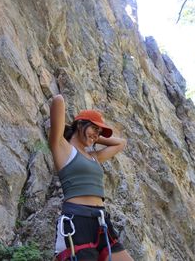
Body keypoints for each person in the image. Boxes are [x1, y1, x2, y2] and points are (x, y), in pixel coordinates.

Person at [49, 94, 134, 261]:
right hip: (77, 221)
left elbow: (121, 143)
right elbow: (58, 100)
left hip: (101, 221)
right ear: (80, 124)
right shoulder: (62, 147)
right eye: (94, 128)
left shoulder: (94, 156)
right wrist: (77, 128)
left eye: (99, 132)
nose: (97, 134)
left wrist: (94, 135)